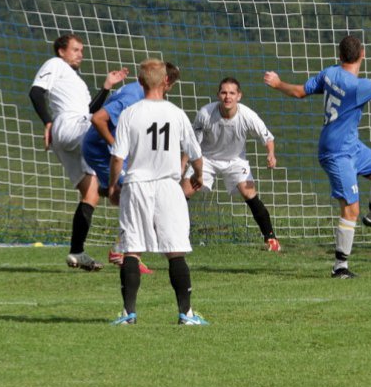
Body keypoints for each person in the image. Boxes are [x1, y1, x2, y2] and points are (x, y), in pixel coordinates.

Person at [264, 35, 371, 278]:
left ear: (340, 55)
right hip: (336, 153)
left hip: (352, 147)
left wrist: (278, 83)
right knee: (351, 209)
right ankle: (340, 266)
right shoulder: (358, 87)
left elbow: (300, 92)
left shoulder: (330, 73)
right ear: (363, 54)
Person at [108, 59, 207, 325]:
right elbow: (195, 154)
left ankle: (129, 313)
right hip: (168, 187)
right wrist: (198, 175)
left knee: (132, 248)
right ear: (166, 81)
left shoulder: (130, 113)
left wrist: (113, 185)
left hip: (136, 185)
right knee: (175, 250)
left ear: (140, 81)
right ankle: (186, 314)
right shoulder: (176, 113)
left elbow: (117, 157)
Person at [28, 33, 128, 271]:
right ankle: (122, 186)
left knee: (91, 194)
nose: (80, 54)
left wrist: (106, 87)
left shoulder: (76, 81)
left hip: (73, 131)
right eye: (75, 50)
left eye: (81, 50)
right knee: (116, 131)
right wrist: (47, 122)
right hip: (69, 126)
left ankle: (77, 252)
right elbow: (35, 92)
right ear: (61, 51)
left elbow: (89, 111)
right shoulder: (55, 64)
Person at [82, 62, 182, 273]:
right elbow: (97, 119)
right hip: (99, 150)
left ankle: (124, 249)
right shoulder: (133, 97)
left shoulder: (141, 94)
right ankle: (122, 251)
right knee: (136, 196)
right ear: (165, 82)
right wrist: (115, 145)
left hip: (112, 151)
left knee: (134, 196)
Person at [180, 77, 280, 251]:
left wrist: (271, 154)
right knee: (183, 193)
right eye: (224, 92)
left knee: (249, 193)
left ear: (239, 96)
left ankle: (271, 238)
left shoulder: (248, 115)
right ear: (218, 95)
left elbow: (268, 138)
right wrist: (182, 165)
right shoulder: (205, 113)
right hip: (206, 158)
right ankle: (172, 236)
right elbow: (192, 143)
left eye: (232, 93)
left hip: (235, 160)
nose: (228, 97)